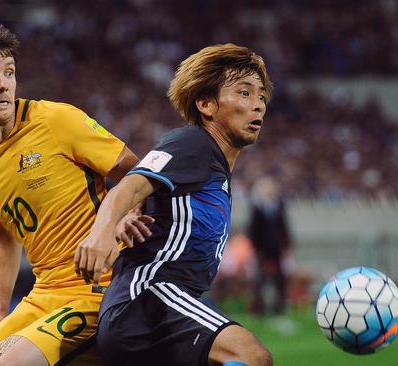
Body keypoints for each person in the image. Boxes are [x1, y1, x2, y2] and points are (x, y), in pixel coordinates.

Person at [0, 20, 138, 366]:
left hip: (98, 289)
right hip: (43, 294)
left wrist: (129, 214)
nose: (4, 85)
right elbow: (0, 230)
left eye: (10, 72)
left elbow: (136, 171)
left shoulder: (56, 120)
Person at [75, 44, 274, 366]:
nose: (258, 106)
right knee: (250, 356)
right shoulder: (193, 143)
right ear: (206, 104)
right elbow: (130, 186)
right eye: (244, 93)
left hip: (161, 309)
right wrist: (101, 233)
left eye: (261, 97)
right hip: (148, 300)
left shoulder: (215, 169)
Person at [247, 176, 292, 315]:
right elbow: (253, 230)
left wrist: (286, 245)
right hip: (262, 249)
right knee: (260, 279)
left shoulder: (279, 204)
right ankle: (259, 307)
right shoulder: (258, 207)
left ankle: (280, 306)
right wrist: (256, 248)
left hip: (276, 248)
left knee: (280, 278)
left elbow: (284, 226)